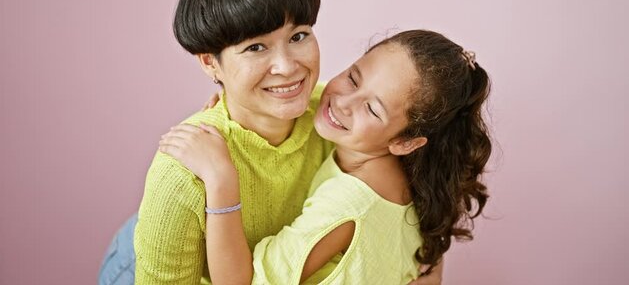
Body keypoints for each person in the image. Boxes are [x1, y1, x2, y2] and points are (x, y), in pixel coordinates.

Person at [98, 0, 444, 284]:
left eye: (298, 36)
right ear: (209, 62)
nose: (287, 67)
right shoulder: (182, 172)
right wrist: (222, 174)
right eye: (255, 47)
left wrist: (427, 266)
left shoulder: (333, 112)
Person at [160, 29, 491, 283]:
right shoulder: (407, 168)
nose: (344, 102)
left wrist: (220, 181)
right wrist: (240, 100)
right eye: (352, 77)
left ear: (406, 142)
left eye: (372, 109)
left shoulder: (346, 205)